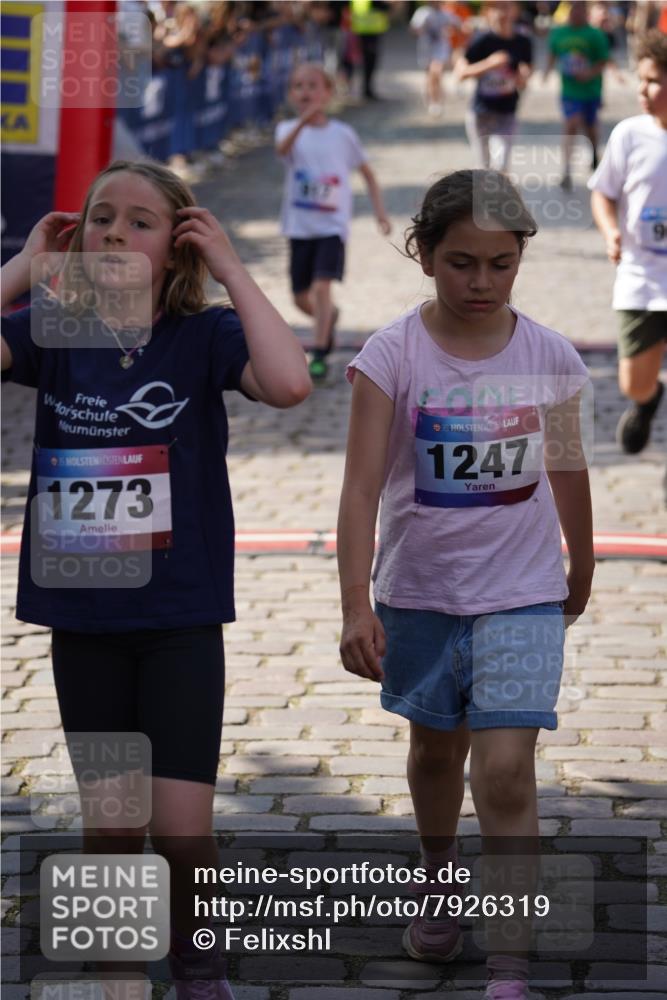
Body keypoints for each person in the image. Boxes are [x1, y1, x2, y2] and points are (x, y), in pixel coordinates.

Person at [0, 159, 312, 1000]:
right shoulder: (55, 330)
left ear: (177, 251)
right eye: (102, 216)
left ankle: (198, 963)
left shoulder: (202, 335)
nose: (112, 232)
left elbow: (289, 383)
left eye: (140, 221)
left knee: (179, 828)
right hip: (83, 621)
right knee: (111, 824)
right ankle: (115, 976)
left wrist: (233, 270)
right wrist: (24, 268)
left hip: (178, 620)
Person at [337, 169, 594, 1000]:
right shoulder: (391, 355)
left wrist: (580, 561)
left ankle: (511, 964)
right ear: (423, 256)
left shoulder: (548, 354)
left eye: (499, 264)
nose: (480, 282)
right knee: (436, 752)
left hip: (520, 592)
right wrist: (352, 604)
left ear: (520, 259)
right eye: (460, 263)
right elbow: (359, 487)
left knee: (509, 770)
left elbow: (565, 463)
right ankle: (439, 875)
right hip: (418, 595)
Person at [275, 62, 391, 380]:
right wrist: (302, 122)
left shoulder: (343, 134)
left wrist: (380, 212)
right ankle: (329, 319)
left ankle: (320, 352)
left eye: (313, 86)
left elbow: (367, 173)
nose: (306, 92)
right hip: (299, 226)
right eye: (298, 86)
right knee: (301, 298)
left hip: (332, 226)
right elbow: (281, 150)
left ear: (328, 93)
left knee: (321, 286)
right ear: (290, 95)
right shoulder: (287, 130)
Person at [588, 28, 667, 454]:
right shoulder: (629, 134)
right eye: (641, 78)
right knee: (633, 382)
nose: (642, 89)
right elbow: (603, 191)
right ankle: (649, 399)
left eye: (653, 80)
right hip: (641, 276)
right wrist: (611, 231)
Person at [457, 1, 533, 170]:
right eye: (495, 7)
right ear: (488, 12)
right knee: (483, 167)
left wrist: (523, 77)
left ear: (515, 11)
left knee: (502, 167)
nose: (501, 13)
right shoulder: (481, 40)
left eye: (505, 6)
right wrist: (489, 64)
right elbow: (461, 73)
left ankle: (499, 196)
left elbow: (527, 71)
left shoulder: (523, 41)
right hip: (481, 112)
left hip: (507, 111)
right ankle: (483, 197)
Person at [545, 0, 610, 189]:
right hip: (569, 91)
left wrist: (589, 73)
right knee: (571, 125)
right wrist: (546, 71)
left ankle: (595, 153)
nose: (576, 12)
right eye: (573, 8)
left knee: (590, 128)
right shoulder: (559, 33)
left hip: (590, 90)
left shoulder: (595, 34)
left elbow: (603, 61)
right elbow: (552, 52)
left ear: (586, 12)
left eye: (580, 8)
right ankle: (566, 170)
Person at [410, 1, 461, 117]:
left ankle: (435, 102)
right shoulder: (422, 13)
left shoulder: (446, 14)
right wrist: (419, 30)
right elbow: (413, 30)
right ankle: (432, 97)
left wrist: (452, 33)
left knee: (436, 71)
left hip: (440, 49)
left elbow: (459, 26)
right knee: (430, 76)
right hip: (426, 49)